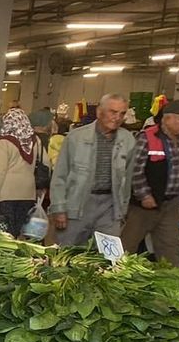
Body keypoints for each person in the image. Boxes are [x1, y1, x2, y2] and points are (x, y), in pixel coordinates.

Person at [49, 93, 135, 246]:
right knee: (67, 252)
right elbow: (60, 176)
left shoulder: (128, 140)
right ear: (99, 112)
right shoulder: (76, 137)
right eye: (113, 112)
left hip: (110, 207)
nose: (117, 118)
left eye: (122, 113)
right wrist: (59, 208)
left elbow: (128, 180)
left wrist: (122, 211)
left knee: (108, 256)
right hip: (77, 204)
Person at [121, 100, 179, 266]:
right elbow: (135, 169)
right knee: (127, 245)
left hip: (171, 203)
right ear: (167, 119)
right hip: (145, 205)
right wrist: (144, 195)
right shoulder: (147, 137)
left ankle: (172, 278)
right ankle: (113, 274)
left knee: (169, 248)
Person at [0, 109, 41, 238]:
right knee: (20, 231)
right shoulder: (35, 141)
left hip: (7, 194)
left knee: (6, 233)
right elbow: (45, 163)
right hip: (28, 194)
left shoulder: (4, 143)